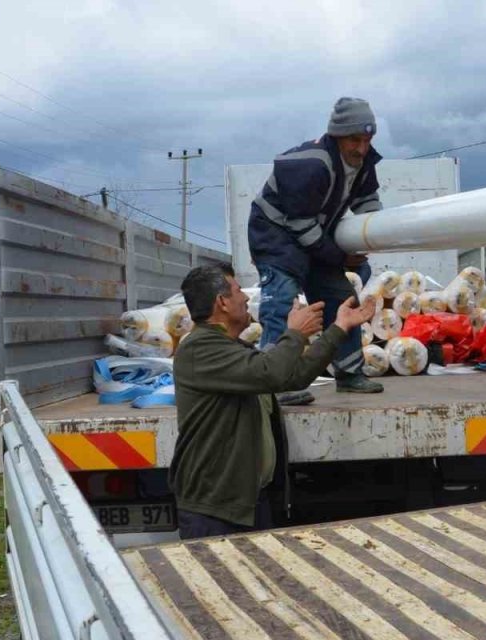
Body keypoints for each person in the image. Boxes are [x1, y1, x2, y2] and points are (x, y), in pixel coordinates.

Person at [169, 264, 375, 539]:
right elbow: (273, 372)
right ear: (222, 303)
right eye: (238, 291)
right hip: (216, 509)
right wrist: (295, 333)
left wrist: (339, 328)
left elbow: (294, 376)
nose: (245, 298)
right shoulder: (199, 349)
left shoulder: (231, 349)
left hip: (248, 502)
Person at [247, 96, 386, 406]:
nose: (362, 148)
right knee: (282, 301)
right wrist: (340, 257)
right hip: (276, 236)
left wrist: (376, 230)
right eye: (354, 139)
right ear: (337, 135)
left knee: (341, 298)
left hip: (314, 235)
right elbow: (300, 224)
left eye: (367, 139)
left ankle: (349, 374)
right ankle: (275, 381)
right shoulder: (310, 164)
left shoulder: (362, 163)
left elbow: (367, 202)